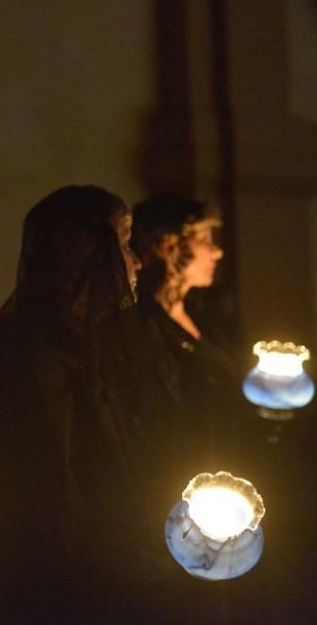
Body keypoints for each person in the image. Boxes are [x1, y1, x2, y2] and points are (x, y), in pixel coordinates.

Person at [0, 185, 164, 622]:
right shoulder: (35, 351)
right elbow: (51, 484)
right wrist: (119, 559)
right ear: (86, 251)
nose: (136, 262)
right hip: (63, 589)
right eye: (124, 244)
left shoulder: (97, 344)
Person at [131, 195, 246, 470]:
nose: (217, 252)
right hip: (180, 465)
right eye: (205, 239)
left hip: (226, 458)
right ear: (168, 244)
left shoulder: (202, 315)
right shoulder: (142, 323)